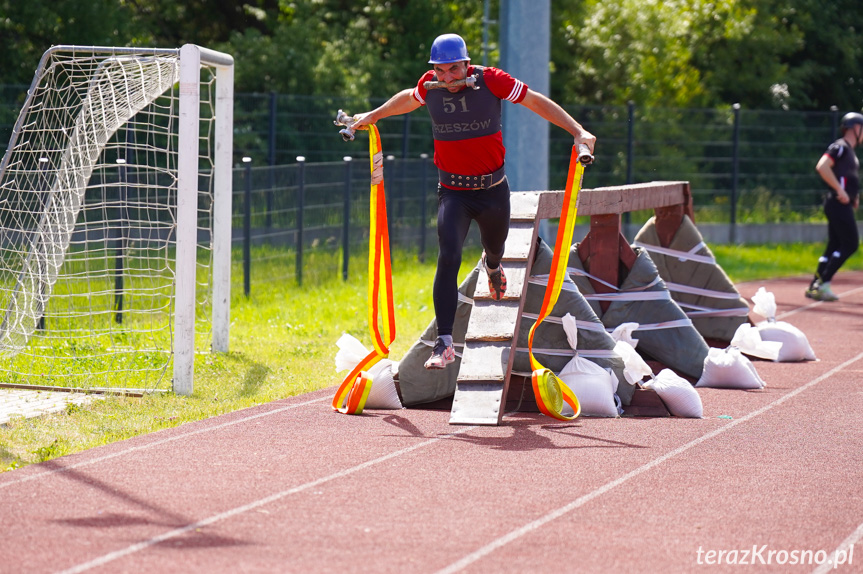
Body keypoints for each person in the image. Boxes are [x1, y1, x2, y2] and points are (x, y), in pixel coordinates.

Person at [351, 33, 596, 369]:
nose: (448, 78)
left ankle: (493, 267)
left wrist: (577, 130)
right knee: (448, 255)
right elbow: (408, 98)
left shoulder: (491, 80)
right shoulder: (430, 86)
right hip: (453, 192)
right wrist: (373, 115)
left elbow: (535, 101)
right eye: (441, 71)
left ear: (467, 64)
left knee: (495, 249)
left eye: (454, 70)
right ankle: (445, 342)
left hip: (493, 190)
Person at [805, 111, 863, 302]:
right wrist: (840, 190)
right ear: (855, 128)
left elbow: (846, 176)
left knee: (835, 245)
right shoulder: (840, 147)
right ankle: (824, 283)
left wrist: (854, 195)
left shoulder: (850, 152)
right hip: (837, 204)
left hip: (840, 204)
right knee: (851, 243)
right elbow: (822, 166)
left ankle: (816, 283)